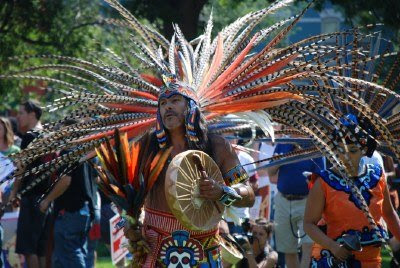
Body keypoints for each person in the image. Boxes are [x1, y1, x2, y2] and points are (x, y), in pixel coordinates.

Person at [122, 77, 256, 267]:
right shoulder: (146, 146)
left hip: (204, 246)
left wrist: (222, 192)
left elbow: (249, 194)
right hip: (156, 245)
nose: (168, 107)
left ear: (191, 106)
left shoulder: (216, 145)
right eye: (163, 103)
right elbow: (128, 193)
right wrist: (129, 221)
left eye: (175, 100)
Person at [304, 114, 400, 267]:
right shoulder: (324, 181)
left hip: (371, 259)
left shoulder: (376, 175)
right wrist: (333, 246)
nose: (345, 157)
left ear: (365, 149)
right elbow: (309, 224)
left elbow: (388, 213)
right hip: (332, 258)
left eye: (353, 151)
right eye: (341, 150)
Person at [267, 141, 324, 268]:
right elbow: (270, 173)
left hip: (307, 202)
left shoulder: (315, 147)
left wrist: (312, 180)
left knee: (308, 245)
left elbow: (322, 176)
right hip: (283, 201)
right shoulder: (282, 144)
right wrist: (278, 163)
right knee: (288, 248)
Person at [9, 100, 51, 268]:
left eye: (21, 113)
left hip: (32, 196)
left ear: (32, 114)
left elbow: (22, 168)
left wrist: (14, 192)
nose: (18, 117)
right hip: (46, 197)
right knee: (40, 248)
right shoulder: (48, 134)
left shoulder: (30, 136)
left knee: (28, 248)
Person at [39, 149, 98, 268]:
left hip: (71, 211)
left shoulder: (67, 153)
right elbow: (97, 179)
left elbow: (65, 180)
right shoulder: (88, 151)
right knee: (74, 251)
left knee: (70, 253)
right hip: (85, 210)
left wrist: (47, 200)